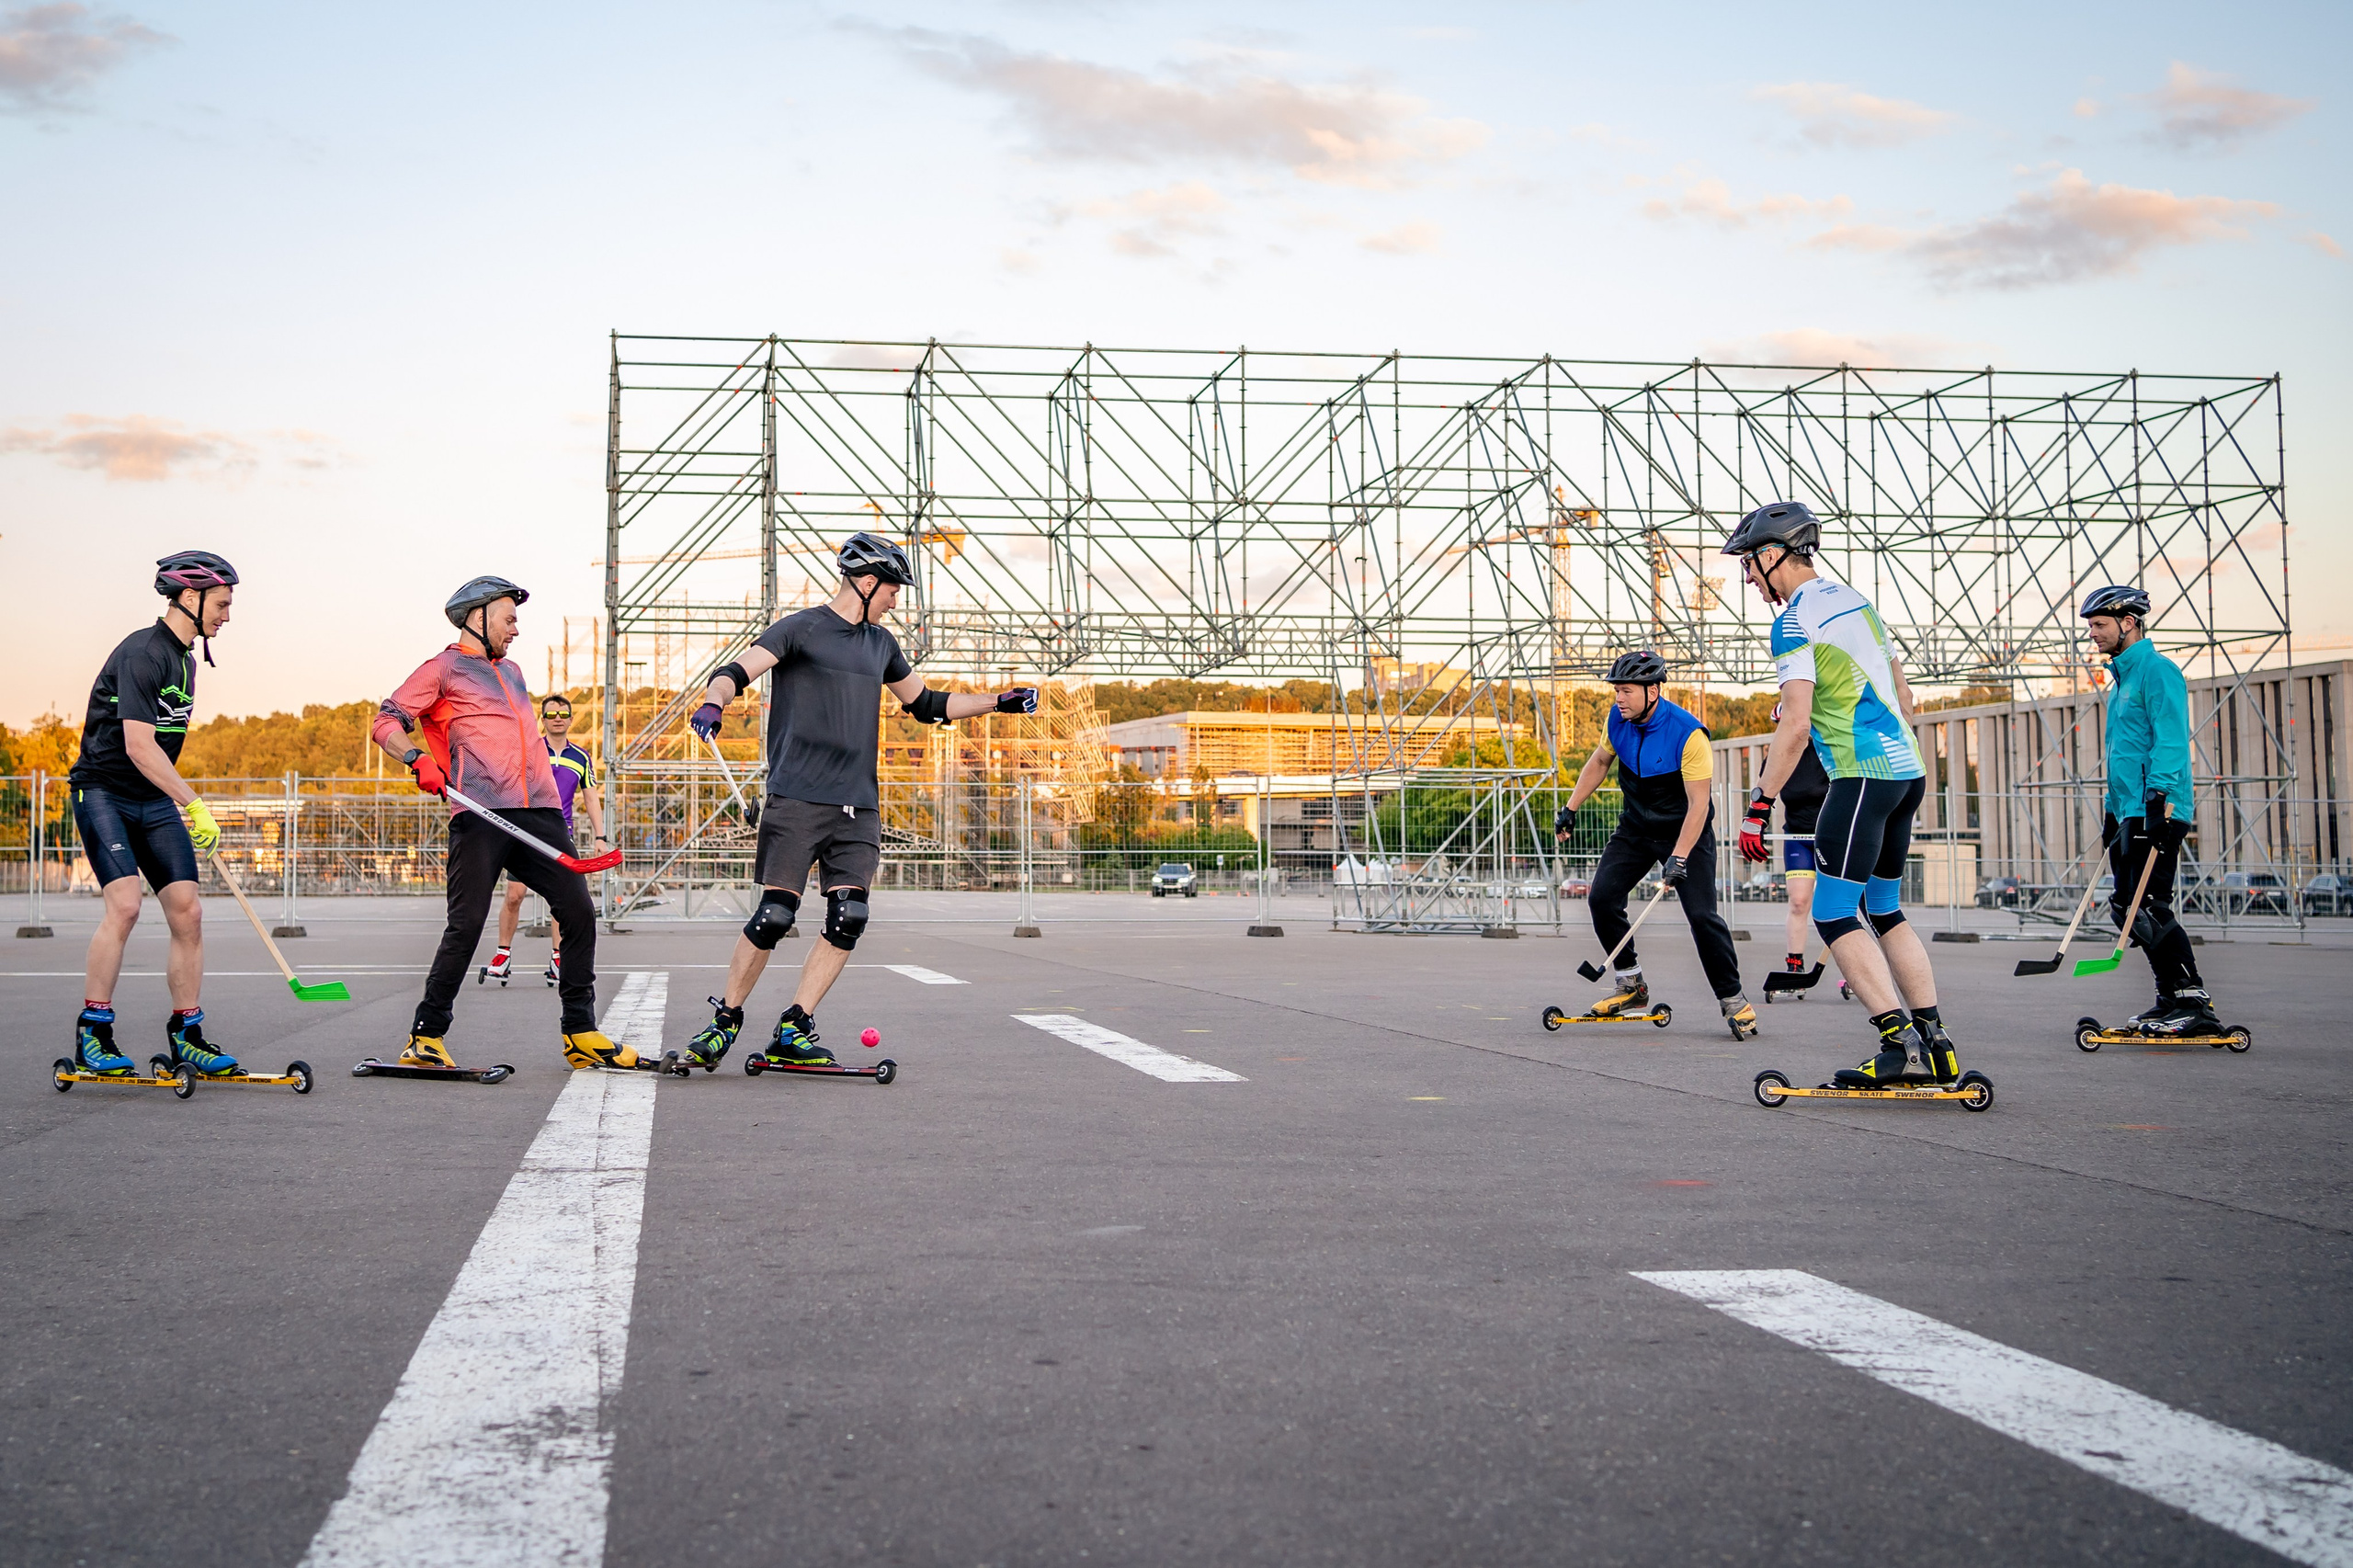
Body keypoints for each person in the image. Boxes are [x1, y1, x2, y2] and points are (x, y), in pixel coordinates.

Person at [670, 532, 1038, 1071]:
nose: (896, 599)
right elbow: (734, 672)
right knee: (775, 915)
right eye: (892, 589)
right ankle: (725, 1019)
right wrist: (712, 703)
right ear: (866, 582)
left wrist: (997, 703)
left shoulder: (882, 645)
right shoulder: (802, 629)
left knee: (850, 917)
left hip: (857, 805)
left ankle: (794, 1028)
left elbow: (927, 704)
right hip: (797, 797)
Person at [1725, 500, 1955, 1086]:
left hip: (1862, 776)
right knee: (1883, 908)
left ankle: (1894, 1044)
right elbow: (1904, 698)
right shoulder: (1857, 602)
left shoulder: (1793, 621)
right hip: (1907, 772)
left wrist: (1759, 804)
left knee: (1831, 911)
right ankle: (1935, 1040)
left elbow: (1795, 724)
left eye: (1751, 565)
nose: (1749, 577)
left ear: (1774, 554)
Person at [373, 576, 641, 1070]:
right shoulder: (443, 669)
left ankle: (580, 1032)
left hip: (538, 813)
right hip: (480, 813)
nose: (516, 628)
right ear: (478, 617)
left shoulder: (513, 672)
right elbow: (385, 720)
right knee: (468, 923)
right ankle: (425, 1037)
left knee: (579, 912)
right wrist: (416, 759)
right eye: (509, 618)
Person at [65, 551, 244, 1078]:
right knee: (124, 906)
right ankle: (93, 1034)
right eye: (223, 604)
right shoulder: (144, 652)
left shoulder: (186, 660)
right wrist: (194, 803)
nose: (227, 616)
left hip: (150, 800)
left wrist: (177, 801)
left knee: (188, 911)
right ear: (190, 597)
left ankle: (187, 1033)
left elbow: (157, 756)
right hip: (102, 791)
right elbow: (140, 745)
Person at [1552, 649, 1756, 1035]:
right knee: (1601, 898)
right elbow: (1599, 761)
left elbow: (1699, 805)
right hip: (1635, 828)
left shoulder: (1688, 733)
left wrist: (1679, 857)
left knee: (1701, 915)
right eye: (1616, 691)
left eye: (1626, 691)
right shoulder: (1618, 719)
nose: (1619, 698)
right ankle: (1630, 983)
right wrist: (1571, 807)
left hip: (1684, 832)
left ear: (1652, 691)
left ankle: (1734, 999)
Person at [2083, 585, 2212, 1032]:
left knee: (2150, 906)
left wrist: (2158, 801)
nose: (2093, 634)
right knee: (2126, 907)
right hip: (2128, 810)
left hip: (2160, 807)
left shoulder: (2158, 672)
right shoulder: (2121, 683)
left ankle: (2194, 1003)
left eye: (2099, 625)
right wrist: (2111, 811)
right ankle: (2170, 996)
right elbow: (2121, 753)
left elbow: (2171, 740)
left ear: (2129, 623)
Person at [483, 693, 607, 986]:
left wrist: (601, 836)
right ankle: (503, 955)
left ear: (571, 718)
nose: (557, 719)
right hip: (524, 833)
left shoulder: (582, 757)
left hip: (559, 835)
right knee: (514, 895)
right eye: (551, 715)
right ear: (543, 718)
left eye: (562, 714)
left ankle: (558, 958)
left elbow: (590, 797)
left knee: (562, 899)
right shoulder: (529, 749)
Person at [1755, 697, 1830, 983]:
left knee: (1838, 905)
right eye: (1778, 726)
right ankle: (1794, 963)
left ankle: (1856, 966)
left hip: (1830, 835)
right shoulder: (1775, 759)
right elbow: (1763, 796)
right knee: (1799, 902)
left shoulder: (1826, 753)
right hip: (1798, 836)